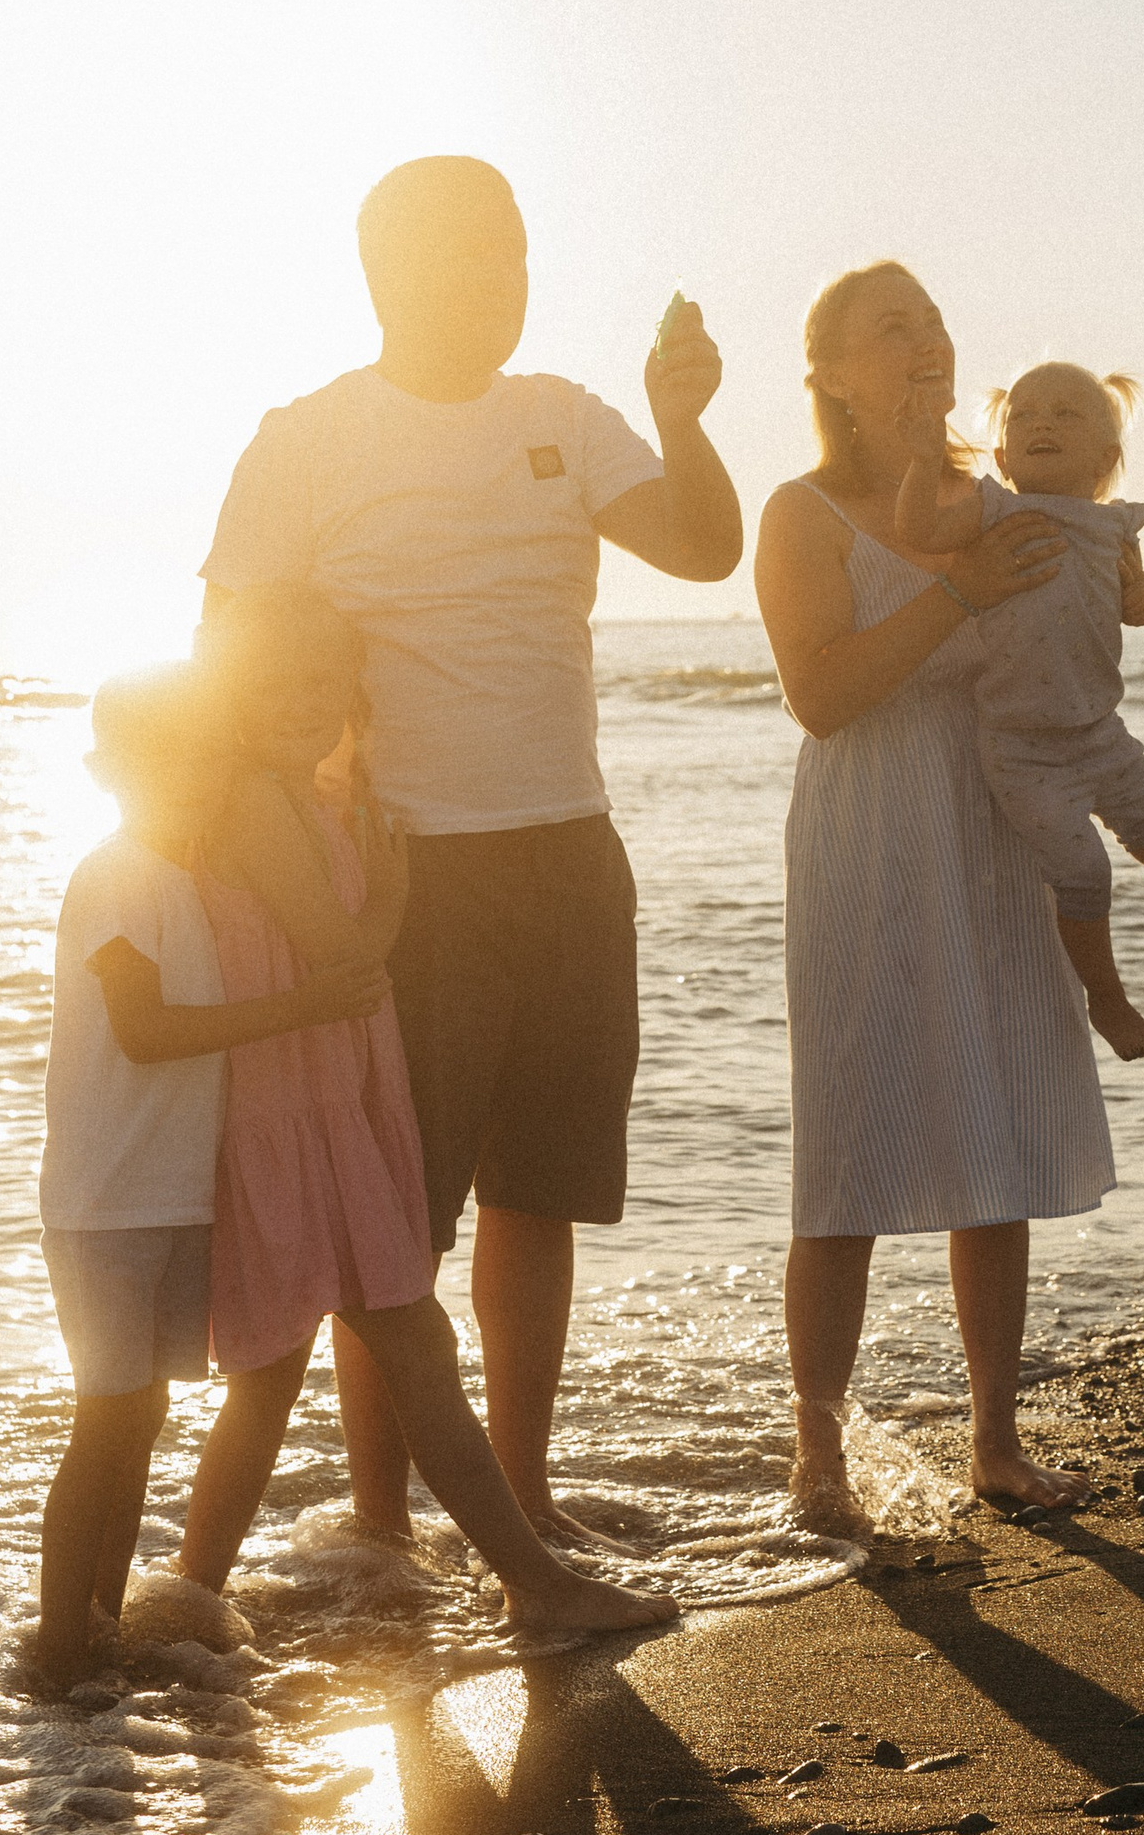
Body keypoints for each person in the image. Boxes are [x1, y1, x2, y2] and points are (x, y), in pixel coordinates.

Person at [199, 155, 740, 1547]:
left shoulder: (563, 414)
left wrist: (684, 418)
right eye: (467, 255)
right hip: (404, 877)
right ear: (385, 273)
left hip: (569, 854)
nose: (500, 281)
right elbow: (225, 663)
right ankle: (381, 1530)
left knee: (538, 1198)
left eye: (512, 251)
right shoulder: (307, 437)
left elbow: (701, 546)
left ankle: (523, 1494)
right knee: (398, 1229)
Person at [755, 262, 1144, 1529]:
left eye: (934, 323)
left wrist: (1123, 598)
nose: (923, 343)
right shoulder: (801, 511)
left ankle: (995, 1440)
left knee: (1006, 1128)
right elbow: (820, 692)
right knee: (846, 1147)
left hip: (994, 819)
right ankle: (817, 1451)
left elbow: (1088, 620)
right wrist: (959, 592)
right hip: (867, 833)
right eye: (890, 329)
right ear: (832, 375)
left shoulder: (997, 494)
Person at [175, 587, 677, 1639]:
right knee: (395, 1340)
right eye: (275, 683)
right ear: (229, 695)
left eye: (323, 681)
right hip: (300, 1120)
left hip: (314, 1108)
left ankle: (184, 1604)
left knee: (276, 1375)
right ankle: (531, 1582)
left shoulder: (302, 796)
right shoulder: (260, 803)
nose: (302, 700)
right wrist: (403, 890)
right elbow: (343, 954)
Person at [32, 660, 384, 1694]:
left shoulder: (183, 877)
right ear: (104, 770)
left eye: (203, 756)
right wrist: (306, 1005)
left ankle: (102, 1620)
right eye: (160, 759)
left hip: (171, 1192)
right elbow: (143, 1031)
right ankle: (59, 1650)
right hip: (105, 1203)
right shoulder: (114, 872)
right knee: (105, 1419)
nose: (187, 775)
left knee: (138, 1417)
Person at [893, 360, 1144, 1061]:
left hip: (1102, 734)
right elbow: (919, 527)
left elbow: (1140, 591)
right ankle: (1107, 998)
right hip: (1022, 748)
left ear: (1105, 460)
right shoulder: (996, 510)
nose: (1042, 422)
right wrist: (924, 463)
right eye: (1025, 415)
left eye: (1066, 413)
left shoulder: (1114, 529)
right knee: (1086, 873)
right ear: (1003, 456)